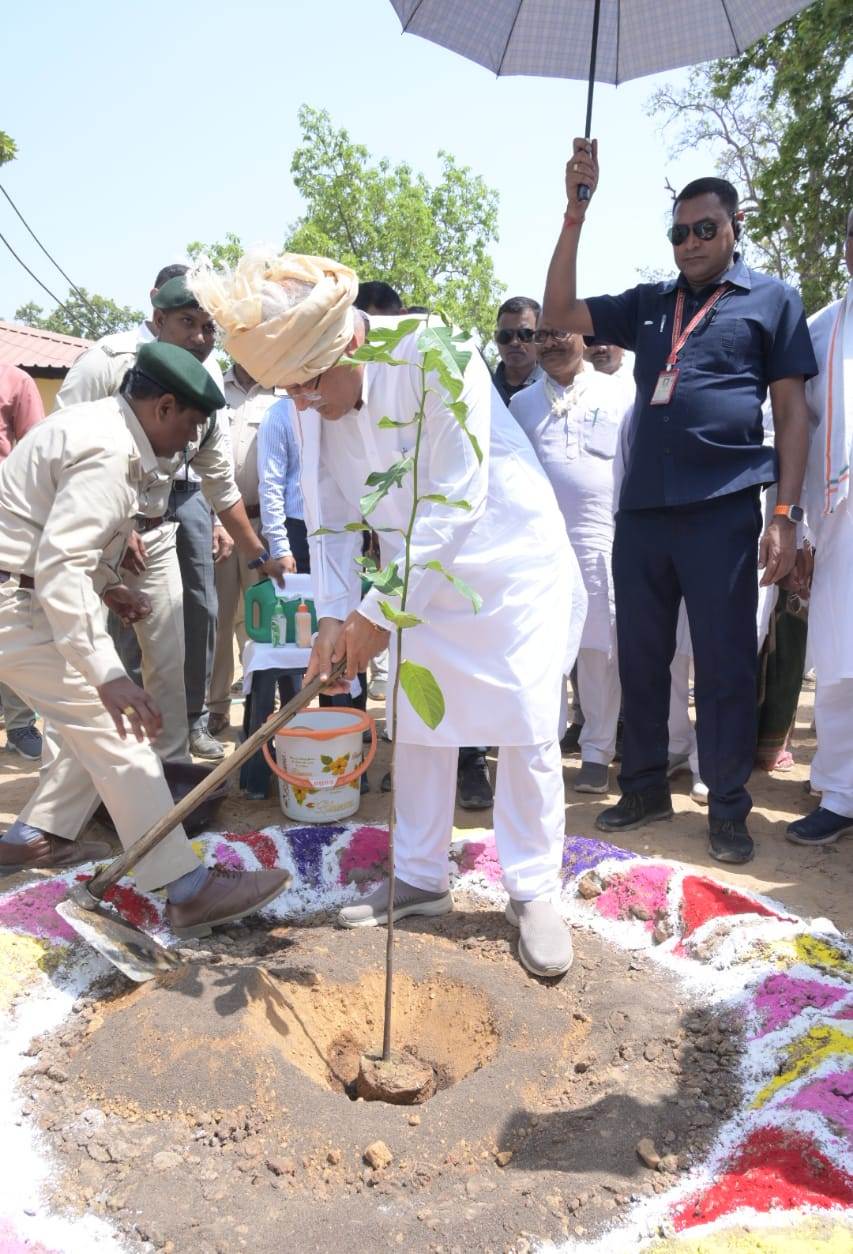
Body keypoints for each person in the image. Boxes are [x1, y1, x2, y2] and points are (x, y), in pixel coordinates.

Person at [192, 252, 587, 977]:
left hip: (504, 568)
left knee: (526, 724)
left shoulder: (435, 354)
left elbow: (455, 497)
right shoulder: (305, 398)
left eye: (309, 386)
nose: (303, 406)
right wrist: (341, 616)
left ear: (348, 344)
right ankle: (419, 876)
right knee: (420, 719)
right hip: (409, 574)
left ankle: (530, 890)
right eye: (289, 393)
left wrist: (380, 610)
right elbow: (334, 514)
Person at [543, 141, 816, 865]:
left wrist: (783, 516)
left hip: (724, 508)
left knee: (724, 665)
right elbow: (558, 310)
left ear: (732, 230)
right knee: (641, 655)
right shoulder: (649, 304)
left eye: (704, 229)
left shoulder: (772, 301)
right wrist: (575, 212)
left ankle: (726, 806)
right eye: (677, 231)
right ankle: (641, 786)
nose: (689, 243)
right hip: (642, 513)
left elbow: (792, 415)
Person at [0, 342, 290, 932]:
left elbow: (56, 536)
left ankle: (36, 837)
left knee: (98, 722)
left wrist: (108, 584)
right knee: (119, 725)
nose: (188, 442)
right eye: (189, 425)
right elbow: (57, 567)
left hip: (21, 588)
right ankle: (186, 887)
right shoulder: (108, 450)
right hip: (16, 602)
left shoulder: (103, 428)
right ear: (162, 406)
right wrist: (107, 674)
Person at [54, 273, 262, 762]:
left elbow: (218, 480)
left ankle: (171, 770)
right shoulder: (108, 363)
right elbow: (59, 451)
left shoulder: (204, 386)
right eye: (188, 323)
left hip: (159, 530)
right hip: (86, 538)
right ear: (158, 318)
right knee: (89, 663)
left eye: (210, 329)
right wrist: (115, 527)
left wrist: (257, 553)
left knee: (168, 658)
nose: (199, 339)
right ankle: (83, 786)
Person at [510, 323, 631, 793]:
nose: (553, 342)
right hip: (540, 549)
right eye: (542, 335)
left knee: (599, 651)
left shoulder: (617, 392)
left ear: (584, 336)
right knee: (544, 651)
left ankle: (599, 752)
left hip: (602, 542)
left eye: (562, 332)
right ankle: (545, 745)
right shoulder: (519, 405)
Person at [787, 208, 853, 847]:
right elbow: (798, 435)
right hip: (841, 522)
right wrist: (799, 529)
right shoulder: (822, 330)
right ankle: (840, 792)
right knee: (839, 663)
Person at [207, 363, 276, 735]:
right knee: (216, 620)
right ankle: (216, 706)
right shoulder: (214, 385)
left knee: (261, 619)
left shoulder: (279, 390)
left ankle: (259, 703)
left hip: (262, 525)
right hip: (216, 523)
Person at [0, 364, 46, 760]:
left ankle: (18, 724)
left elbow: (36, 458)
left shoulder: (15, 381)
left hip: (3, 520)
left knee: (8, 624)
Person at [492, 296, 543, 407]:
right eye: (506, 335)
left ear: (540, 336)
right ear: (496, 337)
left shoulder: (556, 386)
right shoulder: (482, 387)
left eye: (524, 334)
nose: (514, 342)